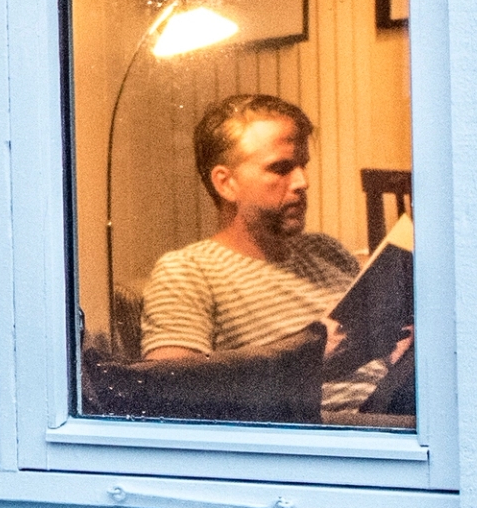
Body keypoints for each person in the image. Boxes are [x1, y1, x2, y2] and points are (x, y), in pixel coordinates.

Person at [140, 92, 397, 417]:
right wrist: (304, 355)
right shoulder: (189, 270)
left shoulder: (327, 252)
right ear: (226, 183)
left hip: (392, 409)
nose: (302, 182)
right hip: (320, 436)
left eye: (302, 165)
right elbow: (170, 391)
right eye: (280, 168)